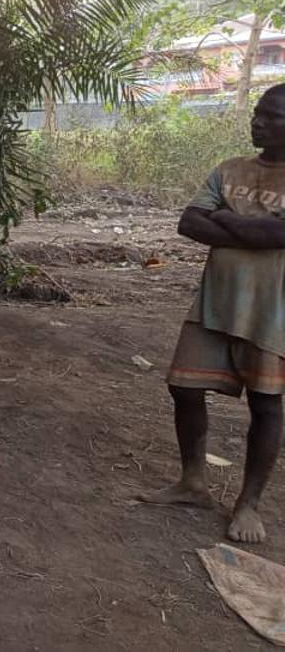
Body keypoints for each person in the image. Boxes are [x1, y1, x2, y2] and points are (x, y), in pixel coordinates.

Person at [140, 84, 285, 543]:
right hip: (213, 305)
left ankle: (249, 504)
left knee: (265, 405)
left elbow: (276, 239)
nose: (257, 121)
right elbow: (189, 222)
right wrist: (258, 229)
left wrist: (226, 219)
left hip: (272, 314)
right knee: (182, 387)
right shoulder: (230, 169)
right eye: (258, 113)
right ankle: (193, 482)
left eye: (270, 116)